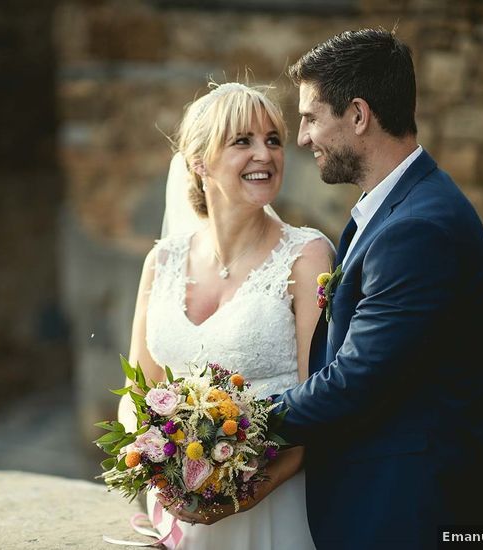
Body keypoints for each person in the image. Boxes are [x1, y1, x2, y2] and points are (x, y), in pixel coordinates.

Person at [176, 28, 483, 549]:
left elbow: (355, 380)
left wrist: (226, 426)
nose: (303, 137)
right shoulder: (391, 210)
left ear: (358, 115)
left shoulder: (417, 227)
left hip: (413, 512)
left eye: (311, 118)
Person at [119, 81, 333, 549]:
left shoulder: (307, 256)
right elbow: (139, 391)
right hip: (179, 516)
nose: (265, 154)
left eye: (272, 140)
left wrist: (240, 501)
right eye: (243, 141)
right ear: (199, 162)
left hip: (277, 509)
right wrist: (162, 486)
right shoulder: (162, 261)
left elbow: (318, 404)